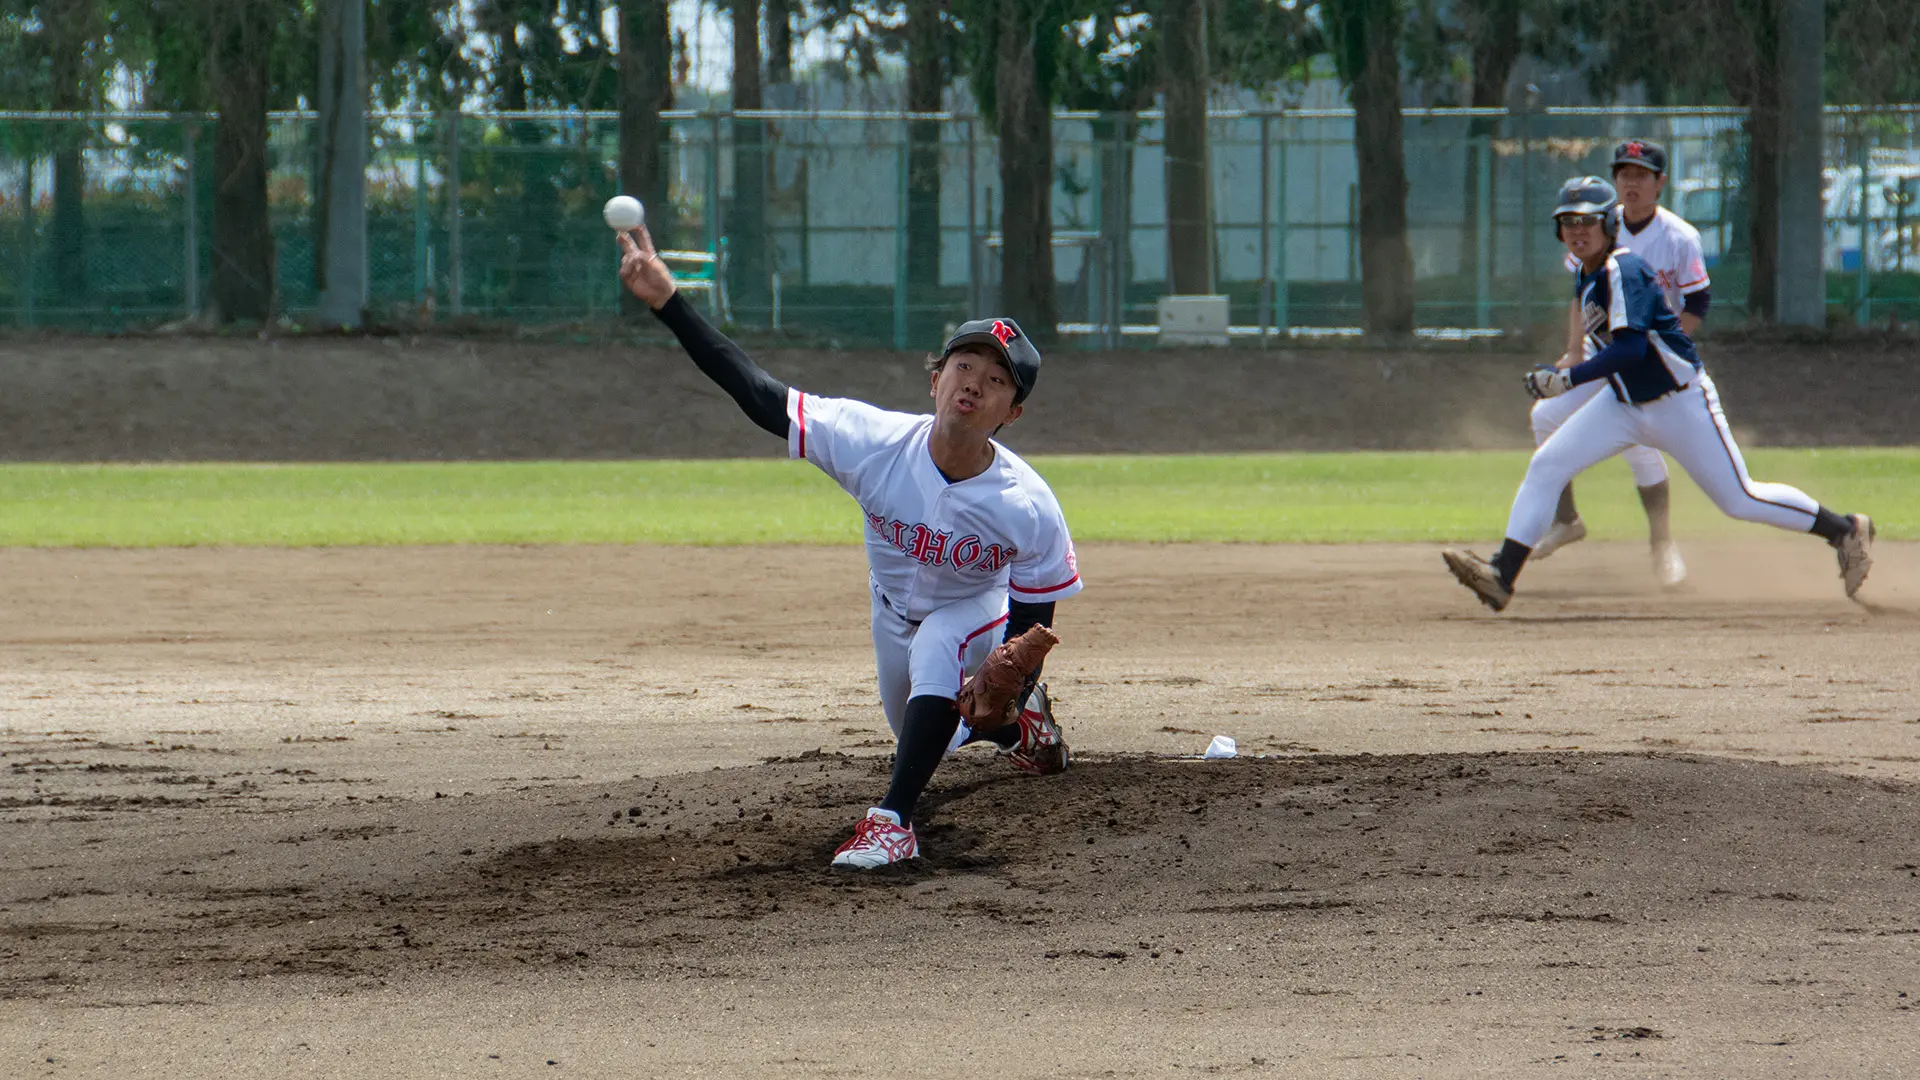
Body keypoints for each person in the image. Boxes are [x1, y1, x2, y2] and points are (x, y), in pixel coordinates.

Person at [615, 222, 1082, 869]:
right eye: (964, 365)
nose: (973, 383)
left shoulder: (1026, 504)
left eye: (997, 380)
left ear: (1012, 412)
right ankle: (1017, 732)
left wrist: (1017, 675)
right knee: (930, 734)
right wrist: (669, 303)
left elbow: (1035, 624)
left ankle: (893, 824)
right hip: (890, 613)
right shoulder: (871, 441)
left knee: (941, 645)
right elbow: (756, 393)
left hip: (977, 608)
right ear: (935, 378)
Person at [1442, 176, 1873, 612]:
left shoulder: (1622, 270)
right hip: (1624, 404)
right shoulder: (1586, 272)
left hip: (1679, 403)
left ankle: (1845, 530)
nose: (1577, 230)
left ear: (1609, 223)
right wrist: (1563, 369)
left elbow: (1630, 349)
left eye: (1588, 220)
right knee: (1548, 464)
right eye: (1568, 221)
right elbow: (1601, 347)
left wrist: (1568, 382)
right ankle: (1502, 576)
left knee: (1739, 499)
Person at [1530, 140, 1713, 587]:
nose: (1631, 183)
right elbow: (1581, 291)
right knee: (1545, 416)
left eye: (1641, 175)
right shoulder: (1597, 225)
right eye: (1624, 174)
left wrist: (1668, 355)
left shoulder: (1679, 237)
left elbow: (1698, 300)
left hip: (1649, 362)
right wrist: (1574, 350)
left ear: (1659, 183)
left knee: (1641, 451)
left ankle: (1662, 546)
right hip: (1604, 355)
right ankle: (1567, 520)